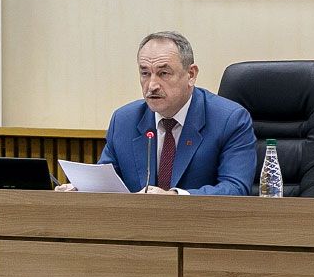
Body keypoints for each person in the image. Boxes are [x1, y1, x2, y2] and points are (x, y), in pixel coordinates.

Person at [62, 31, 256, 195]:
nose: (152, 85)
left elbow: (236, 188)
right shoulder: (124, 120)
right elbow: (106, 183)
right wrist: (81, 189)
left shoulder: (230, 120)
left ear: (191, 74)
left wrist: (174, 197)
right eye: (145, 73)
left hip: (202, 225)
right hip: (137, 227)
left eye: (164, 73)